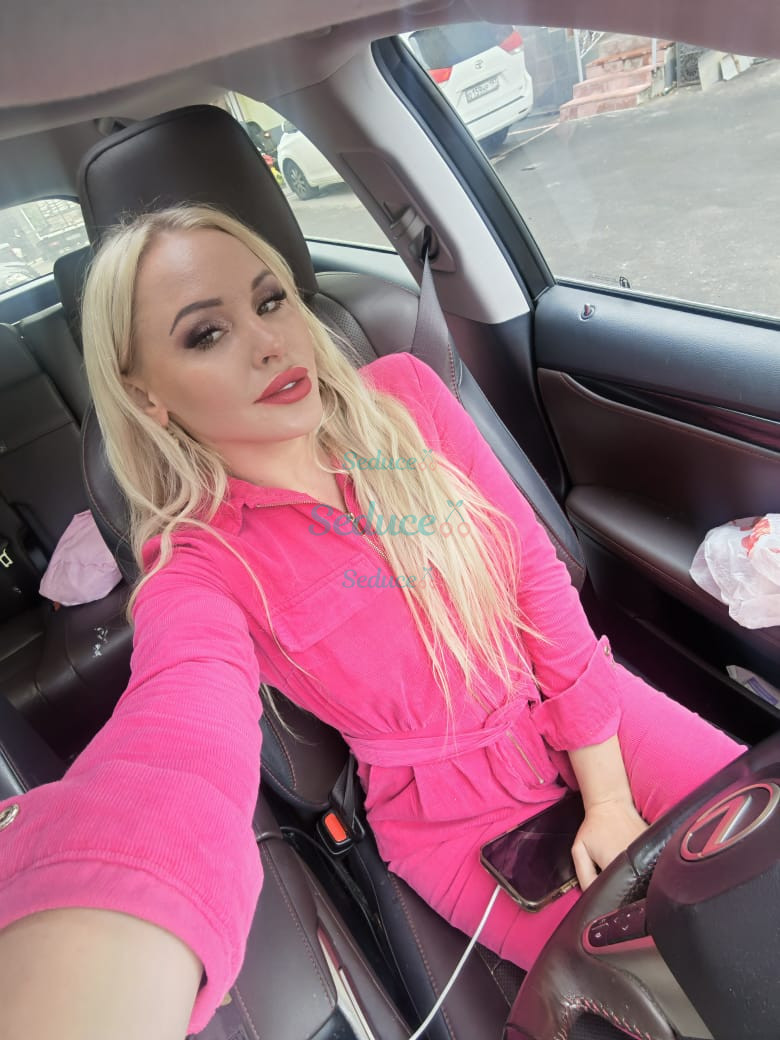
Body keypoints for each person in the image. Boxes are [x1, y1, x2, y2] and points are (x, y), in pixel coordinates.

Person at [0, 203, 744, 1039]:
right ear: (146, 395)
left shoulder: (406, 399)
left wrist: (606, 796)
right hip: (456, 819)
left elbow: (535, 579)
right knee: (678, 1004)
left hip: (579, 702)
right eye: (206, 335)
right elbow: (180, 724)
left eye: (271, 300)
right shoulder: (198, 561)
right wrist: (102, 918)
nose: (270, 343)